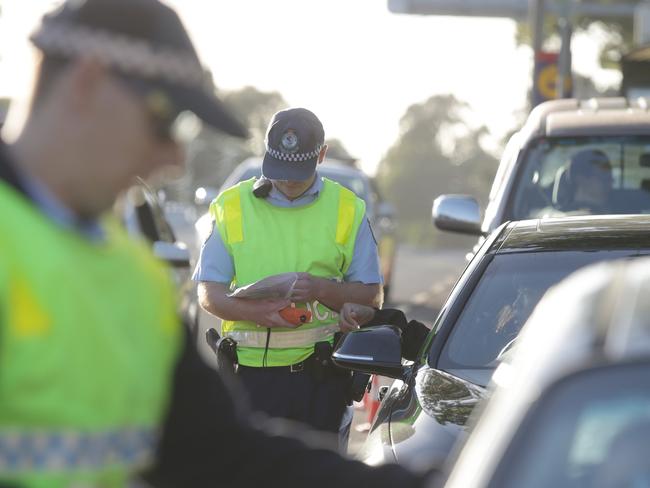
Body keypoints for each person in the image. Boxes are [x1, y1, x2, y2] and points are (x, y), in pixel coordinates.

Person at [0, 0, 427, 486]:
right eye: (168, 123)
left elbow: (221, 450)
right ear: (88, 84)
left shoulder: (131, 276)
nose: (175, 158)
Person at [194, 107, 384, 438]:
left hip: (321, 380)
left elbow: (371, 295)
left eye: (297, 171)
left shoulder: (347, 209)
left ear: (321, 155)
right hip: (250, 379)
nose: (287, 180)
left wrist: (320, 289)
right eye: (280, 169)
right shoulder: (231, 206)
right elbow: (209, 292)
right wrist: (256, 311)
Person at [556, 149, 614, 214]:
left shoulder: (617, 211)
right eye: (603, 177)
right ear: (581, 179)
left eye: (610, 177)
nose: (611, 181)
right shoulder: (562, 216)